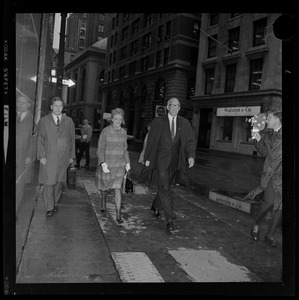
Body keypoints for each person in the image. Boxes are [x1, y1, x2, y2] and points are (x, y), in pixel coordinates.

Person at [144, 98, 196, 231]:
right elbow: (151, 141)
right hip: (161, 161)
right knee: (165, 187)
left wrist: (190, 156)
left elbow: (190, 141)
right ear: (167, 107)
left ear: (179, 108)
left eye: (177, 106)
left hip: (175, 162)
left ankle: (156, 205)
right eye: (172, 105)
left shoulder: (184, 123)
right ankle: (169, 218)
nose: (175, 108)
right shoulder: (158, 122)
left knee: (165, 186)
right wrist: (147, 159)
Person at [37, 96, 76, 217]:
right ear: (51, 107)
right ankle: (49, 207)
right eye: (55, 106)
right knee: (48, 182)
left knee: (59, 182)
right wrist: (42, 155)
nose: (58, 108)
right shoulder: (44, 120)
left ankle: (54, 203)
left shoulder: (68, 121)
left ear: (63, 107)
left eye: (60, 106)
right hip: (49, 157)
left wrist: (71, 156)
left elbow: (72, 139)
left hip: (63, 157)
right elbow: (40, 139)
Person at [249, 110, 282, 247]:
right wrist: (257, 139)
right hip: (271, 175)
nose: (266, 120)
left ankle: (270, 235)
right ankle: (256, 223)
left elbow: (275, 155)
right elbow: (265, 152)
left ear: (277, 119)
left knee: (280, 207)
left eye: (269, 118)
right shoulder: (268, 134)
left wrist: (259, 138)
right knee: (269, 202)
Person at [95, 108, 130, 224]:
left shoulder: (124, 132)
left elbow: (125, 150)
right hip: (108, 165)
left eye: (120, 119)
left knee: (117, 189)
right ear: (112, 119)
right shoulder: (105, 131)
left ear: (122, 120)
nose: (118, 121)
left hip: (120, 166)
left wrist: (128, 162)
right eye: (116, 119)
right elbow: (100, 149)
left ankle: (118, 215)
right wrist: (102, 163)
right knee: (105, 187)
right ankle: (103, 202)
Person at [16, 95, 34, 211]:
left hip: (22, 155)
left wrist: (29, 155)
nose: (20, 104)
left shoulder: (32, 119)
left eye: (24, 102)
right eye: (18, 102)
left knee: (18, 183)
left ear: (29, 104)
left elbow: (34, 139)